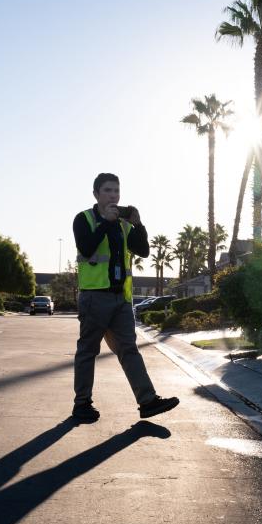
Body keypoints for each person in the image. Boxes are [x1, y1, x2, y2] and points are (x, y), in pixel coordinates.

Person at [71, 172, 179, 422]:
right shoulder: (83, 219)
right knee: (88, 351)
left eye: (116, 191)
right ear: (96, 194)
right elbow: (86, 248)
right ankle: (82, 404)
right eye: (108, 190)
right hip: (94, 298)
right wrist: (106, 223)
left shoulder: (123, 224)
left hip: (121, 299)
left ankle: (148, 401)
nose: (113, 195)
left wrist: (139, 224)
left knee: (129, 349)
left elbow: (143, 251)